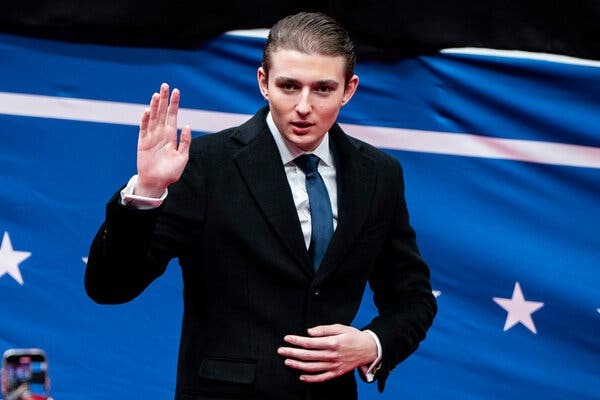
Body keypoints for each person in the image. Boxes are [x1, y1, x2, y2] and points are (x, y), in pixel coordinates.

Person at [85, 11, 436, 400]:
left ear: (348, 89)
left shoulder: (379, 174)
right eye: (289, 86)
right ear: (263, 82)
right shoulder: (204, 165)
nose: (303, 106)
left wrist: (372, 344)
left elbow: (412, 298)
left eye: (322, 89)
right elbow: (109, 286)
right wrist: (148, 189)